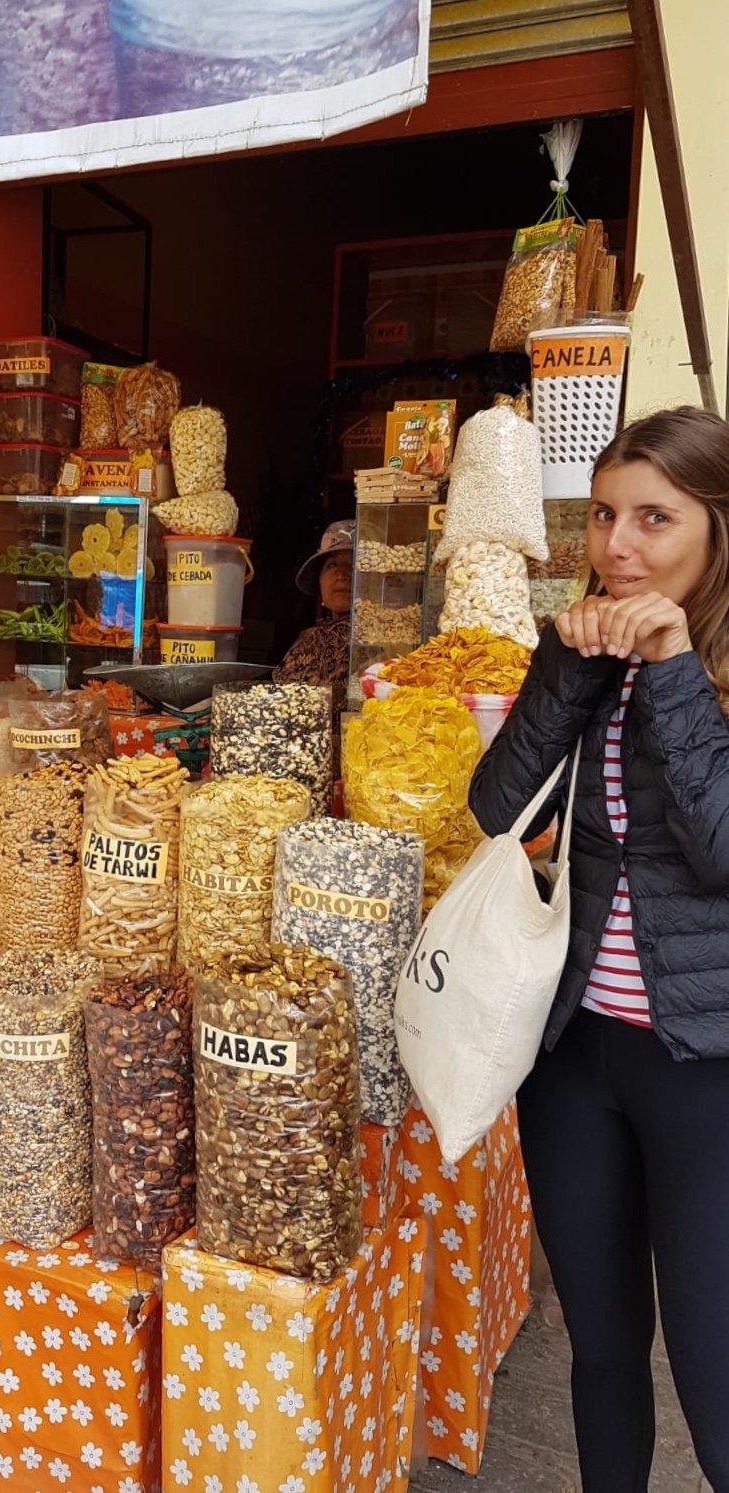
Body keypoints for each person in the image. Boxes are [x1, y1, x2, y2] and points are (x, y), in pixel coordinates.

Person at [468, 406, 729, 1493]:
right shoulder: (586, 647)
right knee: (603, 1348)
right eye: (603, 515)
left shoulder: (689, 662)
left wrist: (670, 666)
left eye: (653, 518)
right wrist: (569, 671)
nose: (617, 545)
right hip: (574, 1054)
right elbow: (497, 809)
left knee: (716, 1386)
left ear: (716, 529)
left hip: (703, 1069)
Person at [273, 519, 354, 725]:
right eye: (332, 565)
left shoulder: (382, 639)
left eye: (355, 564)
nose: (342, 575)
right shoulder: (310, 641)